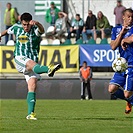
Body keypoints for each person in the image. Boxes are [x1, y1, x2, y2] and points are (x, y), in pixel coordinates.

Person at [0, 12, 61, 120]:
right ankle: (48, 69)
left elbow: (42, 30)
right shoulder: (16, 28)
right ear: (21, 23)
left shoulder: (35, 30)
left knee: (32, 86)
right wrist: (0, 35)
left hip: (32, 62)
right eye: (24, 24)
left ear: (31, 23)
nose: (26, 27)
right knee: (31, 64)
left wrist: (37, 23)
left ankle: (30, 114)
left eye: (28, 24)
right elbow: (6, 31)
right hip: (20, 58)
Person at [108, 8, 133, 114]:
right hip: (122, 65)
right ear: (123, 17)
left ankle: (129, 99)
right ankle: (130, 101)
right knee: (111, 89)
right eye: (129, 16)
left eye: (132, 17)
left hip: (132, 64)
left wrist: (124, 40)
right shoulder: (116, 29)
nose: (131, 19)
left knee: (127, 94)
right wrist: (122, 32)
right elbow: (113, 46)